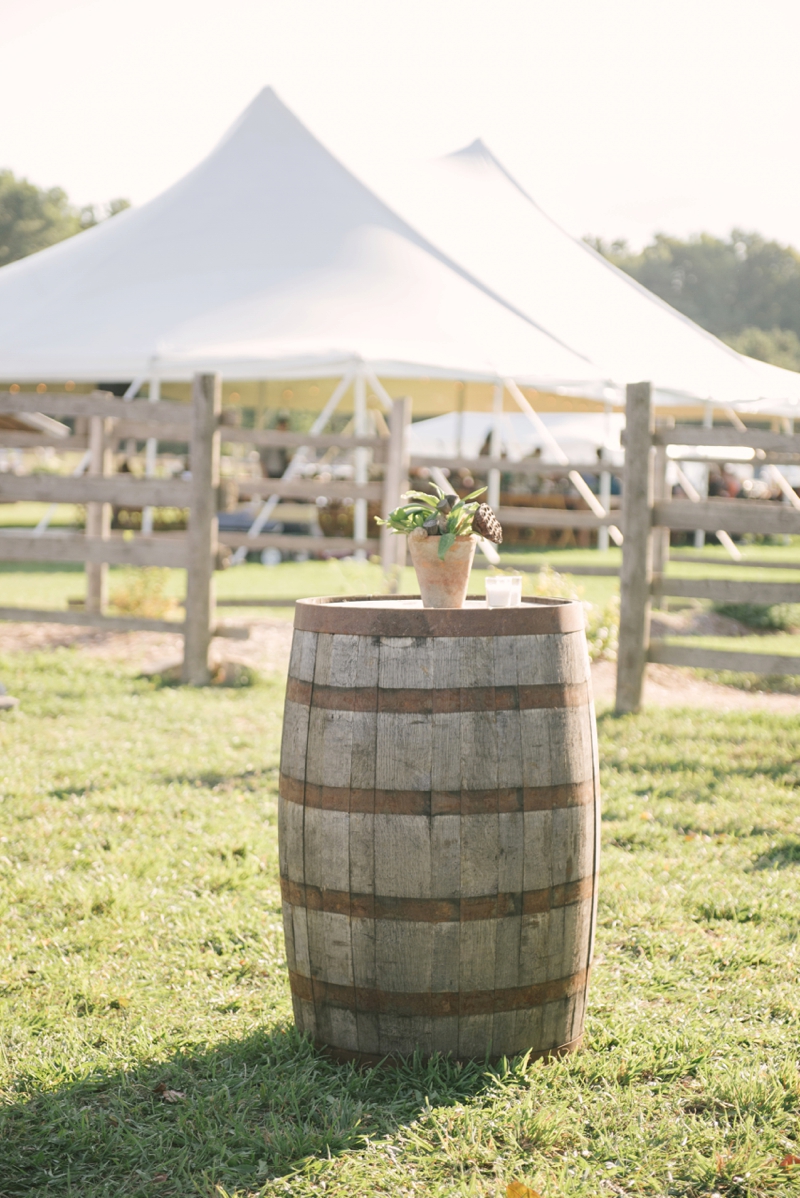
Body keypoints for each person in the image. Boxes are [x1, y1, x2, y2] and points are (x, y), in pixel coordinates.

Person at [259, 411, 291, 478]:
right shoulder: (270, 440)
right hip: (270, 471)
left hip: (282, 472)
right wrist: (264, 473)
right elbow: (262, 459)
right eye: (283, 426)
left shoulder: (286, 442)